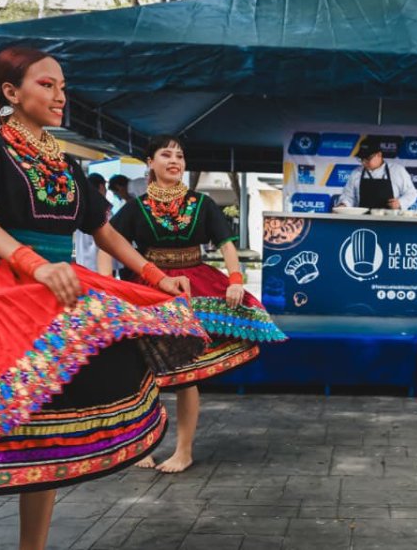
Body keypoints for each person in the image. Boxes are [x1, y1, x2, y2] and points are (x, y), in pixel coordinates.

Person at [0, 47, 209, 550]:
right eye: (47, 85)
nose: (60, 96)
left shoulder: (66, 162)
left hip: (53, 291)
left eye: (63, 87)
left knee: (45, 437)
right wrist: (35, 264)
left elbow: (103, 231)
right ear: (11, 92)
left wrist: (155, 276)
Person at [102, 135, 285, 473]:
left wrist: (235, 279)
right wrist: (107, 287)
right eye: (166, 154)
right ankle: (143, 445)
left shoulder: (202, 203)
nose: (174, 161)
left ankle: (183, 451)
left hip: (194, 285)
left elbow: (226, 244)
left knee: (187, 373)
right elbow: (107, 241)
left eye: (180, 156)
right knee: (144, 371)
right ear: (150, 162)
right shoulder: (137, 207)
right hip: (150, 287)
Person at [335, 139, 417, 210]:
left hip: (391, 220)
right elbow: (348, 196)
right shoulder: (356, 173)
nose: (364, 162)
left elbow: (411, 193)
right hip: (363, 220)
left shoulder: (397, 170)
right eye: (362, 159)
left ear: (379, 155)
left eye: (367, 159)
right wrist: (343, 205)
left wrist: (400, 203)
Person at [73, 173, 108, 272]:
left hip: (82, 262)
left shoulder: (78, 208)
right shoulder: (103, 211)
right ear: (101, 187)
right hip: (99, 266)